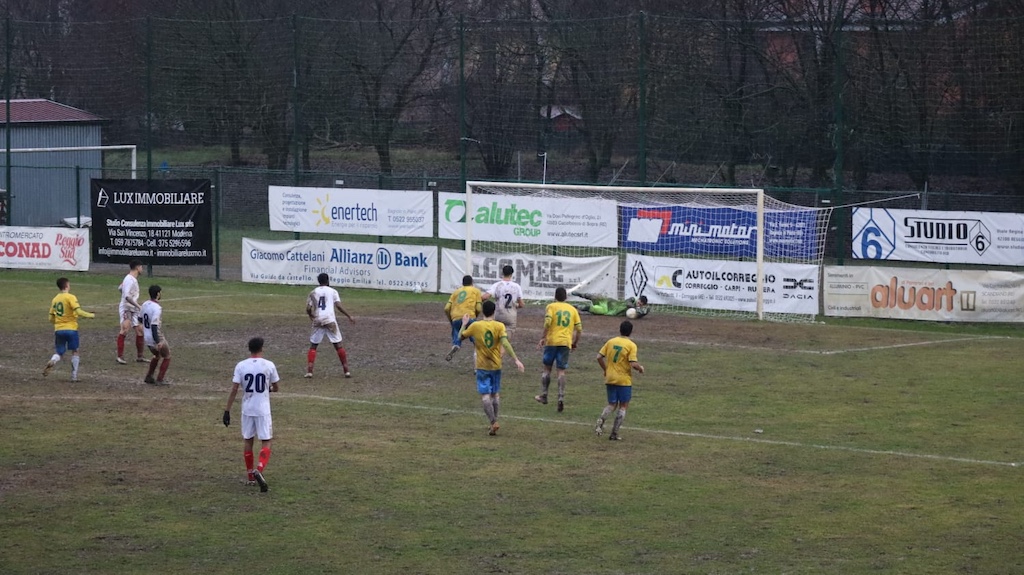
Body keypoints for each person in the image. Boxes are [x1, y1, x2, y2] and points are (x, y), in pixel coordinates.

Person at [459, 300, 525, 435]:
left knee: (485, 396)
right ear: (494, 312)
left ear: (483, 311)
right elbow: (505, 343)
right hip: (496, 365)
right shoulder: (500, 326)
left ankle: (493, 422)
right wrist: (516, 360)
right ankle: (494, 422)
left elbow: (460, 336)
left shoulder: (476, 325)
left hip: (482, 366)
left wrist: (464, 324)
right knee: (495, 395)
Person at [223, 337, 281, 492]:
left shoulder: (241, 366)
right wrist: (268, 389)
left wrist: (227, 410)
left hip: (247, 409)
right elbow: (276, 387)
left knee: (248, 440)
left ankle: (250, 476)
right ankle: (259, 469)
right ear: (262, 348)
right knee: (266, 440)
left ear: (249, 349)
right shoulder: (269, 365)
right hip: (262, 409)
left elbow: (235, 389)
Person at [595, 320, 645, 441]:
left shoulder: (611, 341)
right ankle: (614, 433)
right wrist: (640, 368)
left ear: (620, 330)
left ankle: (601, 420)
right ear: (631, 332)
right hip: (623, 380)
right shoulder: (631, 345)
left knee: (612, 404)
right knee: (623, 406)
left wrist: (606, 369)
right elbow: (633, 363)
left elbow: (599, 357)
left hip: (610, 377)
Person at [536, 286, 582, 413]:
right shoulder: (572, 310)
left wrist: (543, 337)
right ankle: (561, 397)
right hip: (565, 342)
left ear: (555, 296)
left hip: (552, 341)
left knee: (547, 368)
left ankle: (544, 395)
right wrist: (575, 343)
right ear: (566, 297)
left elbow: (547, 323)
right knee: (561, 371)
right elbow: (579, 329)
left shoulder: (551, 307)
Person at [43, 277, 95, 382]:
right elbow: (79, 312)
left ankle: (53, 360)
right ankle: (74, 376)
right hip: (71, 329)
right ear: (67, 286)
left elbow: (50, 318)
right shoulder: (70, 297)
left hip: (58, 330)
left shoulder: (55, 299)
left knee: (59, 352)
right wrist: (91, 315)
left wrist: (58, 323)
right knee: (75, 351)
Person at [305, 272, 355, 378]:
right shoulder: (333, 291)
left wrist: (311, 316)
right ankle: (346, 371)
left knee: (313, 346)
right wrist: (349, 316)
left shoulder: (313, 292)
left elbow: (308, 309)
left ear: (318, 281)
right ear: (328, 281)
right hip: (330, 320)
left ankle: (310, 371)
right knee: (338, 345)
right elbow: (338, 306)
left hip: (318, 320)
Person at [444, 274, 483, 362]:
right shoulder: (476, 291)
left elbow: (446, 308)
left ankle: (456, 345)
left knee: (456, 332)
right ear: (472, 283)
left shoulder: (456, 292)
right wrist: (474, 316)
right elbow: (479, 308)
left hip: (456, 318)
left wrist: (451, 320)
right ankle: (477, 367)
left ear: (462, 283)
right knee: (476, 342)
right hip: (470, 317)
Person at [116, 259, 146, 364]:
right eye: (141, 267)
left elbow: (120, 288)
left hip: (133, 308)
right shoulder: (129, 279)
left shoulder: (131, 279)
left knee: (140, 330)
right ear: (137, 267)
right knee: (125, 329)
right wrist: (138, 305)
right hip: (126, 307)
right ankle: (120, 356)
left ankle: (140, 356)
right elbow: (127, 296)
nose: (142, 269)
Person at [140, 285, 171, 385]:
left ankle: (149, 376)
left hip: (147, 337)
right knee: (167, 356)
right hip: (155, 336)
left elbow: (140, 319)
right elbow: (154, 326)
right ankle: (160, 379)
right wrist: (158, 341)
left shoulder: (144, 304)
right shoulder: (157, 308)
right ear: (158, 294)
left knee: (156, 355)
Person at [484, 265, 525, 341]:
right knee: (505, 342)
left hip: (499, 314)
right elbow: (522, 304)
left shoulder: (497, 285)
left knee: (496, 340)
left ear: (502, 273)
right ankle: (502, 352)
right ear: (511, 274)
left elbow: (485, 297)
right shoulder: (516, 286)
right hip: (510, 316)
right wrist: (516, 305)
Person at [572, 293, 650, 318]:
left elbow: (642, 313)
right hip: (610, 302)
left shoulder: (635, 312)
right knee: (593, 297)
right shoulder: (633, 299)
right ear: (638, 299)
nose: (639, 304)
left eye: (640, 304)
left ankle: (574, 306)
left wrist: (640, 311)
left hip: (608, 311)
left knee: (590, 308)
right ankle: (579, 294)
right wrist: (635, 308)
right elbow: (628, 303)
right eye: (639, 302)